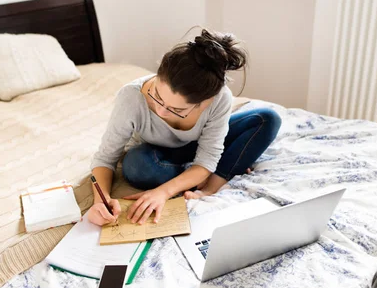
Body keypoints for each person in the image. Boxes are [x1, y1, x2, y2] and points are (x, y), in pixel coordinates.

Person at [87, 29, 281, 226]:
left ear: (206, 102)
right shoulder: (130, 98)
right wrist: (99, 201)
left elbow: (208, 157)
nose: (161, 112)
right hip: (157, 154)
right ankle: (208, 171)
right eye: (157, 96)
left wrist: (164, 191)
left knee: (267, 119)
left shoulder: (219, 98)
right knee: (136, 166)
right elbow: (105, 158)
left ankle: (211, 185)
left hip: (200, 145)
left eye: (176, 109)